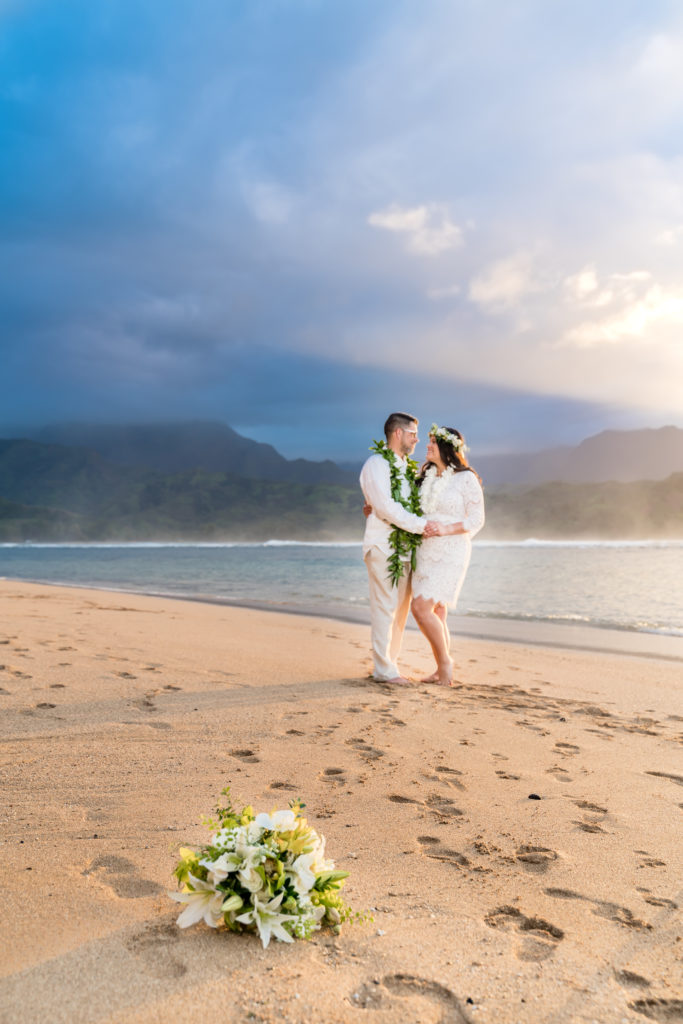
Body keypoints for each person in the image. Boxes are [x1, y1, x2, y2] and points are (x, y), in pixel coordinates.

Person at [360, 412, 439, 684]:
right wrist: (422, 526)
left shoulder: (406, 468)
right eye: (413, 433)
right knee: (384, 607)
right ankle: (384, 670)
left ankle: (389, 665)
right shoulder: (377, 464)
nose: (417, 439)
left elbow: (407, 505)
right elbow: (384, 507)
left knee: (400, 612)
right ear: (398, 433)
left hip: (406, 549)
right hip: (383, 546)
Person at [411, 425, 485, 686]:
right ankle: (439, 668)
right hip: (425, 549)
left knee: (420, 607)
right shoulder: (426, 475)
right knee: (437, 613)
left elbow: (477, 519)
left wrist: (445, 529)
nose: (427, 446)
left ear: (447, 447)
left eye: (432, 442)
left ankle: (446, 664)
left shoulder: (466, 478)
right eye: (428, 441)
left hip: (451, 548)